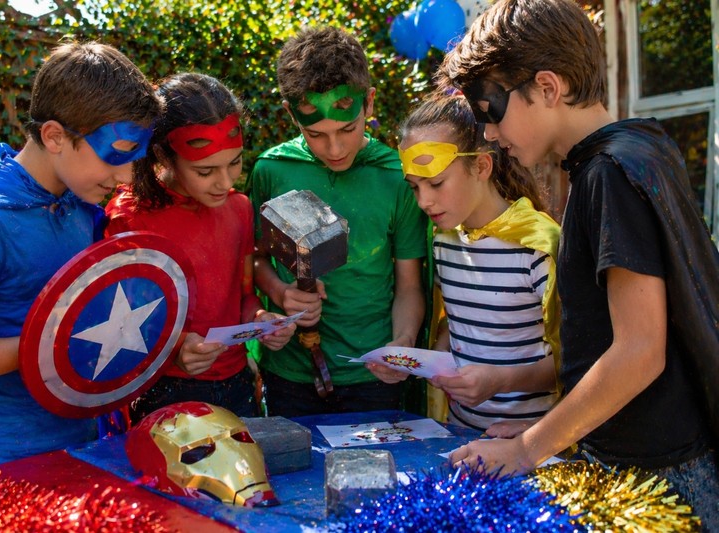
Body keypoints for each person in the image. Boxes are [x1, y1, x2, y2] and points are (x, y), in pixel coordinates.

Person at [439, 0, 719, 526]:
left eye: (491, 110)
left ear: (548, 87)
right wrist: (555, 434)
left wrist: (527, 448)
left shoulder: (606, 174)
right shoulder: (644, 147)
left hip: (655, 479)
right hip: (650, 457)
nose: (491, 136)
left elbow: (640, 351)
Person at [0, 41, 162, 484]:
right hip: (4, 461)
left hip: (83, 442)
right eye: (116, 154)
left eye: (136, 158)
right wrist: (49, 348)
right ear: (54, 137)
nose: (127, 177)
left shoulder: (74, 202)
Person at [247, 26, 428, 417]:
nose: (335, 147)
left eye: (348, 128)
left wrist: (402, 342)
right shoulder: (272, 170)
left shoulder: (396, 175)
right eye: (316, 134)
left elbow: (409, 285)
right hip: (290, 376)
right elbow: (255, 259)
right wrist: (280, 293)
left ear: (370, 104)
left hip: (372, 376)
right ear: (292, 116)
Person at [105, 72, 295, 421]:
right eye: (206, 171)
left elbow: (244, 296)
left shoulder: (239, 209)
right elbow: (118, 322)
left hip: (237, 384)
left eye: (235, 163)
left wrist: (261, 319)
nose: (226, 182)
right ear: (163, 153)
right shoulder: (129, 218)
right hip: (165, 390)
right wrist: (176, 348)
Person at [398, 93, 560, 438]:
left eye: (437, 183)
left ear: (482, 167)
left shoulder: (538, 246)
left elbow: (579, 359)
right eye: (415, 187)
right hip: (461, 434)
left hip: (533, 439)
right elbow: (457, 323)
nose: (424, 201)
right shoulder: (444, 240)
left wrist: (502, 380)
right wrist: (425, 362)